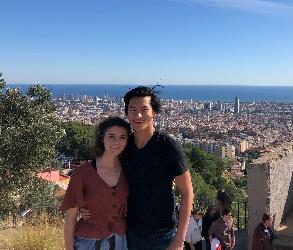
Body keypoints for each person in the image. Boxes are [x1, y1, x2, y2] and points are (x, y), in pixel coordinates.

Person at [122, 86, 193, 249]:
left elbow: (187, 192)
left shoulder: (168, 146)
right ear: (127, 113)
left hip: (162, 236)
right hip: (130, 233)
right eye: (132, 110)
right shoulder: (124, 146)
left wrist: (179, 240)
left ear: (154, 113)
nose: (138, 115)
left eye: (144, 109)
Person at [60, 117, 131, 250]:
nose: (116, 142)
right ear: (102, 138)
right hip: (88, 243)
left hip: (120, 242)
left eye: (122, 137)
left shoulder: (128, 171)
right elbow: (70, 219)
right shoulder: (83, 173)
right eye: (111, 136)